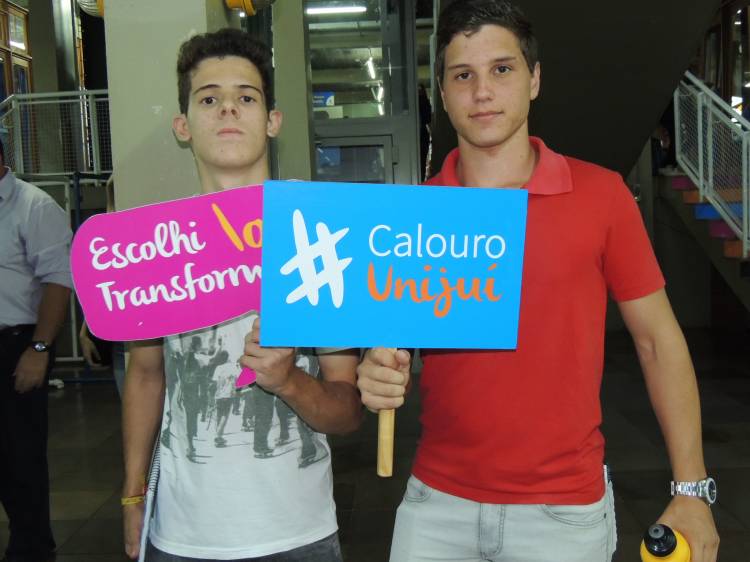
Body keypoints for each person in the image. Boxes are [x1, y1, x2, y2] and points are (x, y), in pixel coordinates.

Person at [356, 2, 720, 562]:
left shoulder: (601, 196)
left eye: (502, 69)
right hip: (436, 506)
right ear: (444, 93)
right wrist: (377, 370)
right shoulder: (416, 215)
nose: (482, 91)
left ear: (535, 80)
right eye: (462, 75)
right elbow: (391, 346)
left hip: (563, 515)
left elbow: (657, 341)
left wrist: (691, 489)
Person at [121, 28, 362, 561]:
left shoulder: (319, 237)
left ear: (272, 120)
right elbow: (145, 375)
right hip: (179, 536)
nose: (228, 108)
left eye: (246, 98)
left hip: (298, 535)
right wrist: (133, 494)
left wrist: (290, 380)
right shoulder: (157, 249)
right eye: (209, 99)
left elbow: (348, 413)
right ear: (183, 125)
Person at [0, 138, 73, 562]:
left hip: (16, 345)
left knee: (19, 456)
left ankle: (31, 548)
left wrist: (40, 348)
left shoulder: (34, 206)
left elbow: (58, 281)